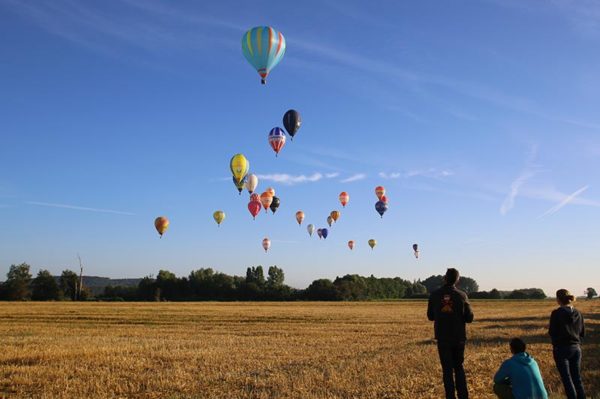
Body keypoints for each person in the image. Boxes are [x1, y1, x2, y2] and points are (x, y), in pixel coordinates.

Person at [427, 268, 474, 399]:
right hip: (459, 337)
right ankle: (463, 396)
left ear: (444, 278)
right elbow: (469, 318)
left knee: (447, 370)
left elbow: (430, 316)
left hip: (442, 337)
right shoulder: (462, 295)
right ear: (457, 280)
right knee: (459, 367)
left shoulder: (434, 295)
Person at [549, 289, 586, 399]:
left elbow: (552, 332)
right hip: (576, 349)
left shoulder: (556, 314)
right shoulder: (578, 313)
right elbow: (582, 332)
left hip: (561, 349)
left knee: (567, 379)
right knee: (577, 378)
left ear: (558, 299)